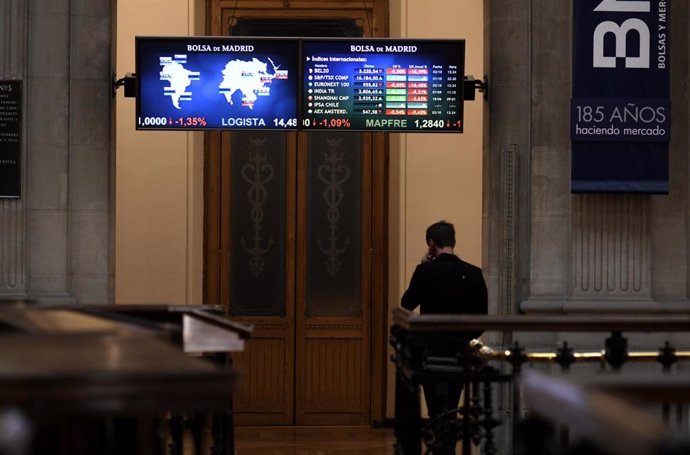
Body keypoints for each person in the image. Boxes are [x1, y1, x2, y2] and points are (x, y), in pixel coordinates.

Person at [401, 220, 488, 454]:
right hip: (460, 350)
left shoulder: (425, 271)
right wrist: (464, 337)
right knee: (452, 403)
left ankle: (441, 449)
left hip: (432, 350)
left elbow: (406, 304)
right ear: (453, 242)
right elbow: (481, 318)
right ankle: (448, 448)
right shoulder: (473, 273)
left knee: (435, 407)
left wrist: (421, 267)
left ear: (431, 243)